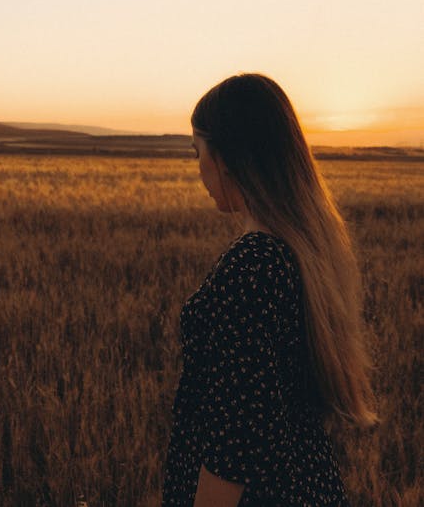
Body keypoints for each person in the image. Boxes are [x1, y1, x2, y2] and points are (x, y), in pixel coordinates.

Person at [161, 73, 378, 507]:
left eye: (197, 152)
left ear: (229, 157)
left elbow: (233, 445)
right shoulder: (298, 250)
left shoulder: (253, 263)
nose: (198, 168)